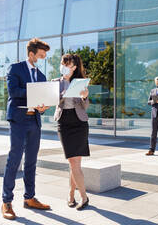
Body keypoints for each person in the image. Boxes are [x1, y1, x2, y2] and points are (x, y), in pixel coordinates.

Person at [1, 38, 51, 220]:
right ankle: (6, 201)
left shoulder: (42, 76)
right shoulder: (16, 69)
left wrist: (44, 105)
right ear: (31, 54)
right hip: (19, 121)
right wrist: (35, 93)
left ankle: (29, 198)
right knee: (14, 161)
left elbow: (43, 99)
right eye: (40, 55)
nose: (42, 58)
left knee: (31, 162)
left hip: (34, 121)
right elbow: (13, 92)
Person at [53, 53, 90, 211]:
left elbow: (85, 106)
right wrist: (60, 96)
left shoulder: (80, 83)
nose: (64, 66)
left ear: (74, 67)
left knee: (75, 163)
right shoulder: (55, 83)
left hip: (79, 122)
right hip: (64, 122)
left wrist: (84, 97)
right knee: (72, 162)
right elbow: (50, 102)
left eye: (67, 64)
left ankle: (77, 196)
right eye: (63, 63)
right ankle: (81, 196)